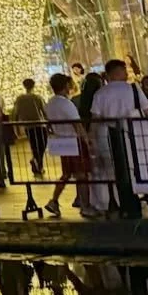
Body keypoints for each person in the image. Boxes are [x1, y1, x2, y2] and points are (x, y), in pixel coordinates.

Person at [89, 58, 147, 217]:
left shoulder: (100, 93)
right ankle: (135, 200)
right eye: (125, 70)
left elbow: (95, 119)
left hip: (106, 138)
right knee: (134, 168)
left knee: (111, 172)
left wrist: (91, 140)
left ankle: (117, 204)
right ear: (119, 72)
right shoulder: (134, 89)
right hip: (133, 137)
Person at [42, 73, 90, 217]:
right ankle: (85, 205)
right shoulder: (66, 103)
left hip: (61, 141)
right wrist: (86, 140)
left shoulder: (50, 103)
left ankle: (54, 200)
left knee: (66, 174)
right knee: (81, 175)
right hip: (73, 140)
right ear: (66, 86)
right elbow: (77, 124)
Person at [12, 78, 47, 173]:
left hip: (28, 126)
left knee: (34, 145)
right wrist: (49, 124)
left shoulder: (19, 99)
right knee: (42, 145)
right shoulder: (37, 97)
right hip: (40, 124)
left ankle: (36, 162)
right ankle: (38, 163)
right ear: (33, 85)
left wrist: (15, 127)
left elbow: (15, 113)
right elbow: (44, 111)